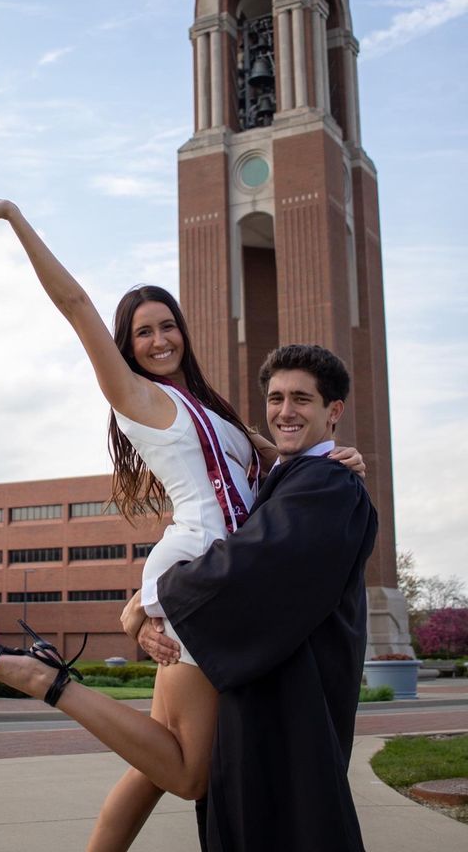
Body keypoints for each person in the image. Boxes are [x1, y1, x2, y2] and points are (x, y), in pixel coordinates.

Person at [0, 197, 365, 852]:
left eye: (166, 326)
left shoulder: (212, 410)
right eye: (142, 331)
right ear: (127, 344)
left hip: (218, 571)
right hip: (206, 580)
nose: (158, 340)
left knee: (151, 766)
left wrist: (334, 454)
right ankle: (46, 680)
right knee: (188, 772)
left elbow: (279, 459)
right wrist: (12, 218)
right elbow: (76, 305)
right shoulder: (136, 398)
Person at [133, 344, 377, 852]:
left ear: (334, 411)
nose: (285, 411)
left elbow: (248, 567)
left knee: (290, 827)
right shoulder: (294, 478)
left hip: (293, 710)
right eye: (275, 398)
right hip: (267, 702)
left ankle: (52, 684)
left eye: (302, 400)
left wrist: (164, 590)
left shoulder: (327, 483)